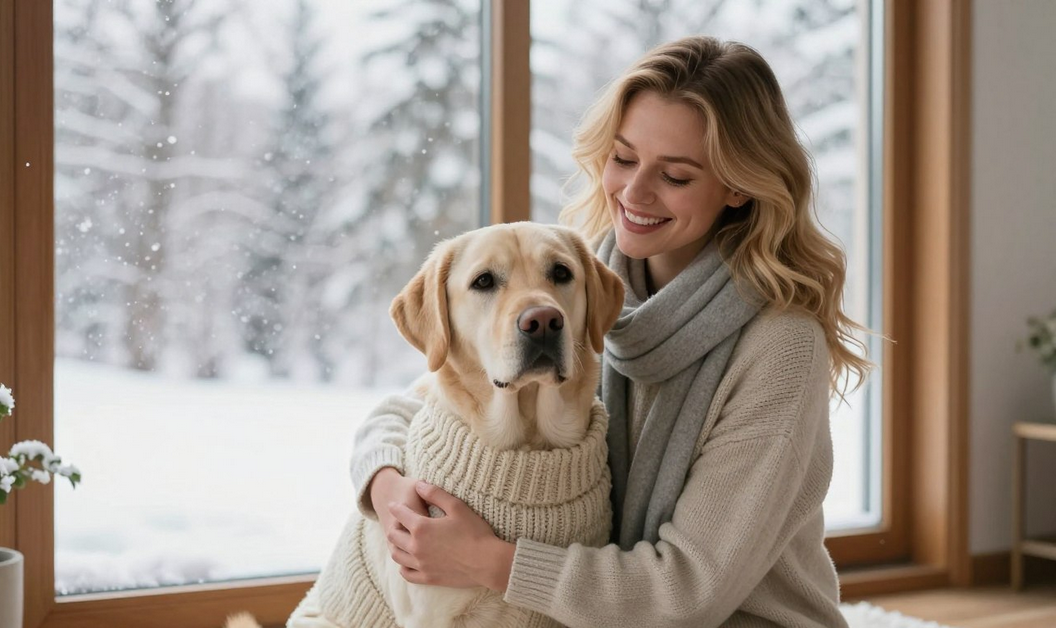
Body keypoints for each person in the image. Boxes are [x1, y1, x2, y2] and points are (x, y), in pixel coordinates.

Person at [349, 36, 872, 628]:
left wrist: (484, 561)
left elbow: (690, 590)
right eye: (623, 159)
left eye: (674, 176)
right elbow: (414, 407)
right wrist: (388, 488)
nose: (635, 193)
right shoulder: (583, 285)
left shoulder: (779, 346)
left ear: (738, 186)